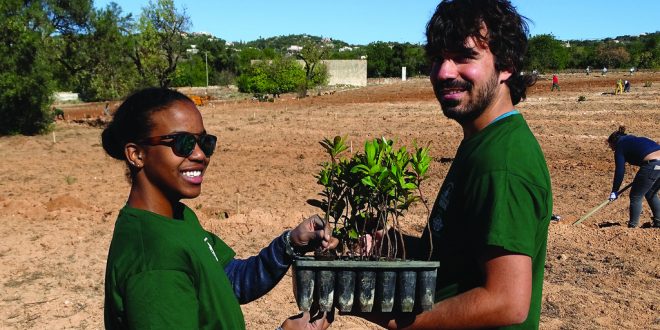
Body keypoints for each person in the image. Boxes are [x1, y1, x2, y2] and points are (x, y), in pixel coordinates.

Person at [355, 0, 552, 328]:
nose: (443, 72)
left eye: (464, 56)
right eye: (437, 58)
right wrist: (389, 243)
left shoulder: (502, 163)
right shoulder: (483, 142)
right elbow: (455, 257)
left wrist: (393, 319)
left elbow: (507, 301)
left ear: (507, 65)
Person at [101, 87, 336, 329]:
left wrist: (291, 243)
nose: (201, 155)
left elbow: (229, 281)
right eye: (183, 143)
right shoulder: (154, 260)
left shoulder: (177, 217)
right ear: (136, 154)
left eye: (205, 142)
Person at [606, 126, 660, 228]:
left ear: (614, 142)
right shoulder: (637, 140)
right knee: (651, 193)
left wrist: (614, 190)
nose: (612, 149)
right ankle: (659, 222)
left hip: (652, 164)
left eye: (611, 146)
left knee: (635, 196)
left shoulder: (620, 147)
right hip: (656, 164)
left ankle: (632, 226)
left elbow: (620, 171)